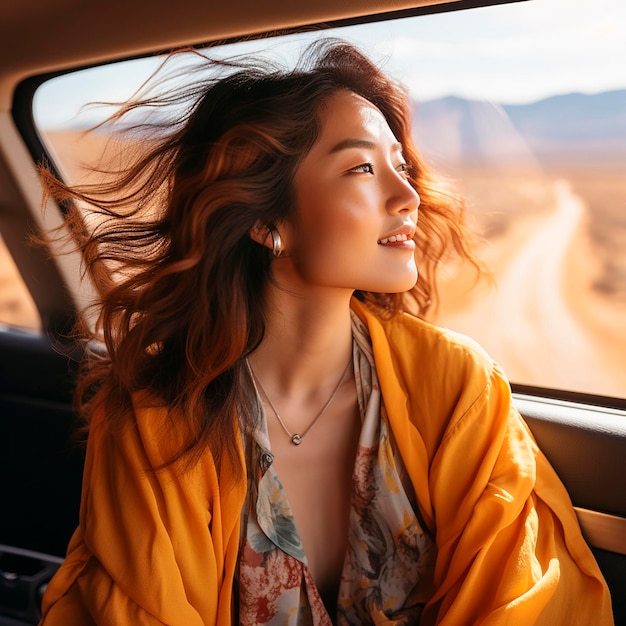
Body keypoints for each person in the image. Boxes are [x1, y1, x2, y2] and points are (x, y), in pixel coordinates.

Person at [39, 40, 612, 625]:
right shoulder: (157, 419)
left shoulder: (457, 385)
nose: (408, 196)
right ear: (267, 219)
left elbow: (523, 598)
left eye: (401, 165)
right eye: (362, 167)